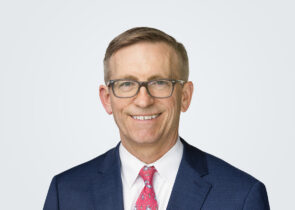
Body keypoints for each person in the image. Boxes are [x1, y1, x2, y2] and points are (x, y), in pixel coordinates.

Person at [43, 27, 270, 210]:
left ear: (185, 96)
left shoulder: (241, 197)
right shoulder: (66, 193)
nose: (143, 100)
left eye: (160, 83)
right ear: (106, 98)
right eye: (126, 84)